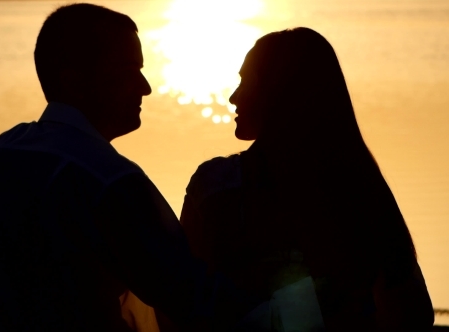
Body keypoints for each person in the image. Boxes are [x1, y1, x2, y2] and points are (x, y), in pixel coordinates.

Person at [0, 4, 261, 331]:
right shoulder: (109, 180)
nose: (145, 86)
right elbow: (193, 294)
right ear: (72, 78)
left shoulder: (3, 152)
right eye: (130, 69)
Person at [181, 27, 434, 331]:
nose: (234, 97)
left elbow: (179, 299)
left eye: (246, 81)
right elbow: (414, 313)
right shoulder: (362, 188)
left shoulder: (215, 187)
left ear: (277, 90)